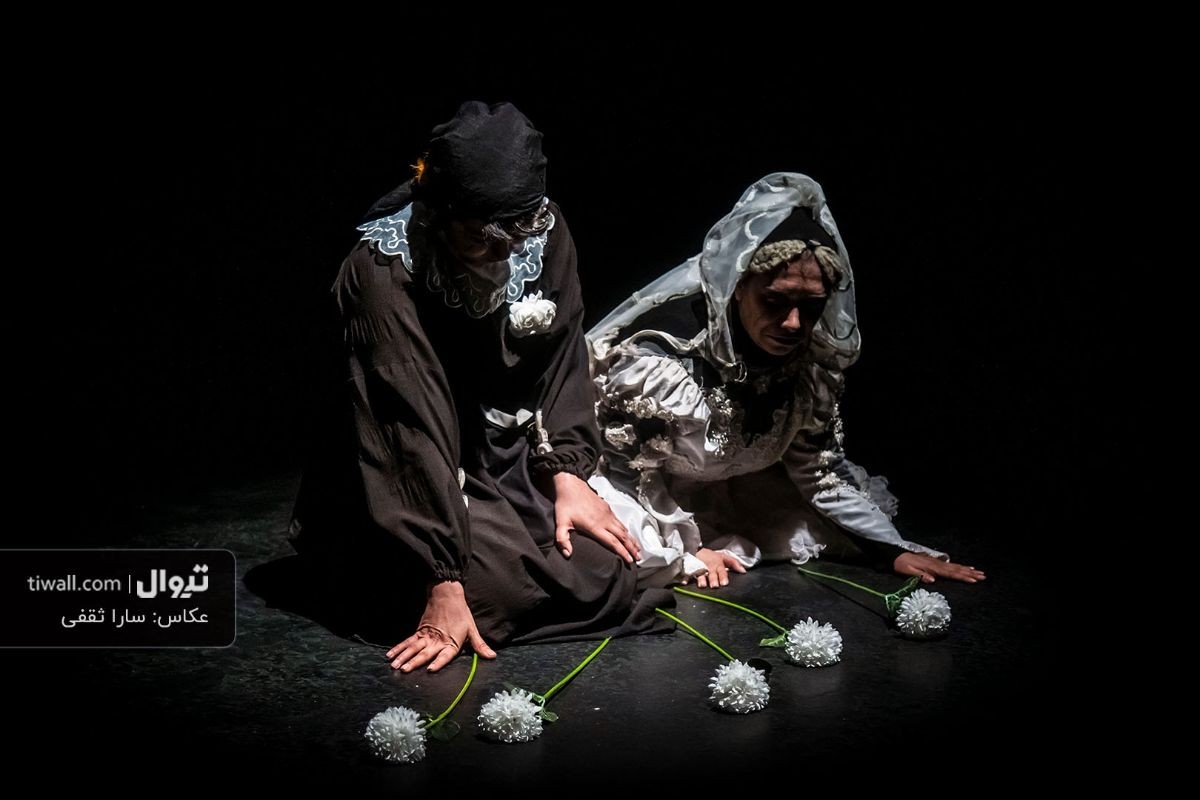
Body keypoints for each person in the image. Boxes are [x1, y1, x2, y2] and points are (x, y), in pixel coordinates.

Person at [289, 101, 659, 674]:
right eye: (482, 239)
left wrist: (568, 473)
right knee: (487, 593)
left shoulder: (539, 229)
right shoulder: (382, 272)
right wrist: (440, 574)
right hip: (403, 473)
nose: (506, 253)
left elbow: (563, 355)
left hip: (496, 455)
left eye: (520, 232)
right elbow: (403, 426)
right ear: (439, 215)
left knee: (602, 566)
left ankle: (491, 561)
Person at [587, 172, 985, 590]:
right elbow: (627, 473)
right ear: (738, 287)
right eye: (774, 300)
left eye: (811, 306)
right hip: (638, 489)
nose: (794, 323)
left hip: (726, 487)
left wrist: (891, 550)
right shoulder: (661, 366)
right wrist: (688, 550)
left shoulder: (809, 366)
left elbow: (818, 467)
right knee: (624, 556)